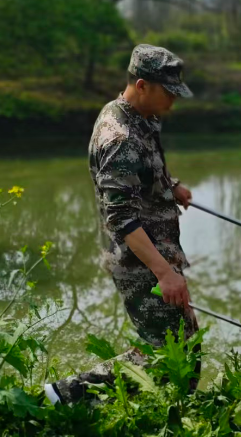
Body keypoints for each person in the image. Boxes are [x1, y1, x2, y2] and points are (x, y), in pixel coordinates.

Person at [44, 44, 198, 405]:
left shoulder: (142, 116)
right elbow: (121, 218)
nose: (173, 102)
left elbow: (147, 165)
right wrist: (165, 274)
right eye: (168, 92)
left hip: (160, 250)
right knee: (170, 354)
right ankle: (66, 395)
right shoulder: (119, 138)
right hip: (140, 260)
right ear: (142, 85)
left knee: (180, 346)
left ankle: (165, 414)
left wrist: (170, 184)